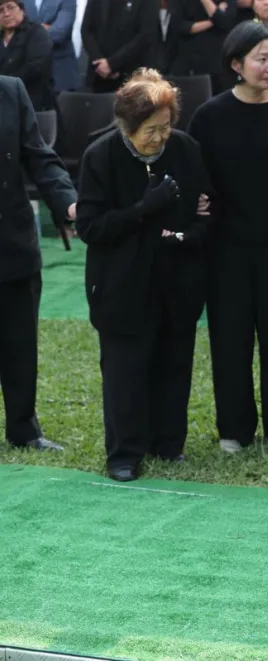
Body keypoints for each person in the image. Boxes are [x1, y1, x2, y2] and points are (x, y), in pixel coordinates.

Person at [188, 21, 268, 453]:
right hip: (226, 247)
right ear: (236, 65)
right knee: (230, 339)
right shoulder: (210, 116)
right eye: (261, 59)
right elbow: (198, 181)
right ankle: (234, 429)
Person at [75, 69, 213, 482]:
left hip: (177, 278)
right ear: (127, 126)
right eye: (150, 130)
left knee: (174, 362)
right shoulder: (99, 156)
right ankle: (124, 453)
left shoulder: (185, 150)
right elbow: (90, 227)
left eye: (166, 127)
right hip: (120, 284)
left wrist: (187, 234)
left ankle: (169, 444)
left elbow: (207, 209)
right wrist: (143, 209)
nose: (159, 138)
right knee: (125, 371)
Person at [0, 74, 76, 454]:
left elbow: (39, 157)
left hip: (11, 238)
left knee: (19, 340)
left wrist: (68, 202)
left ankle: (24, 430)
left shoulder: (11, 90)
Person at [80, 0, 158, 93]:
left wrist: (112, 64)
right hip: (99, 76)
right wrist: (99, 61)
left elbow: (145, 35)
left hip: (132, 77)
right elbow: (86, 30)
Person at [0, 0, 54, 110]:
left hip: (32, 104)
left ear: (22, 9)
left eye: (10, 7)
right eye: (1, 10)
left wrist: (5, 85)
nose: (6, 14)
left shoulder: (36, 32)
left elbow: (35, 68)